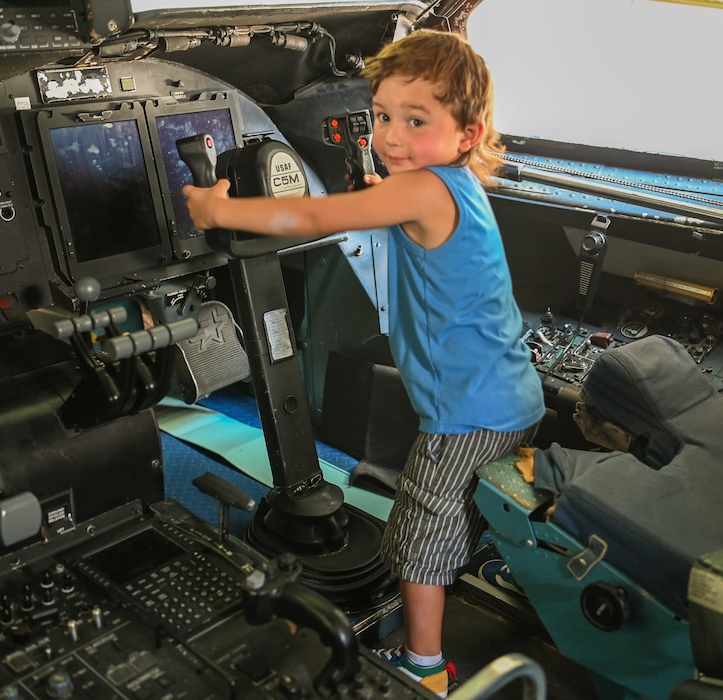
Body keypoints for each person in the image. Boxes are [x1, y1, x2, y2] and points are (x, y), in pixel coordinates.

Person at [183, 29, 545, 698]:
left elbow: (320, 215)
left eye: (417, 121)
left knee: (418, 530)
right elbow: (393, 218)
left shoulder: (424, 192)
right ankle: (490, 576)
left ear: (469, 133)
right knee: (471, 506)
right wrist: (385, 184)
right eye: (382, 116)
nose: (392, 135)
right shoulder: (451, 187)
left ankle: (424, 664)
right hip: (511, 396)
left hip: (466, 414)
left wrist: (219, 207)